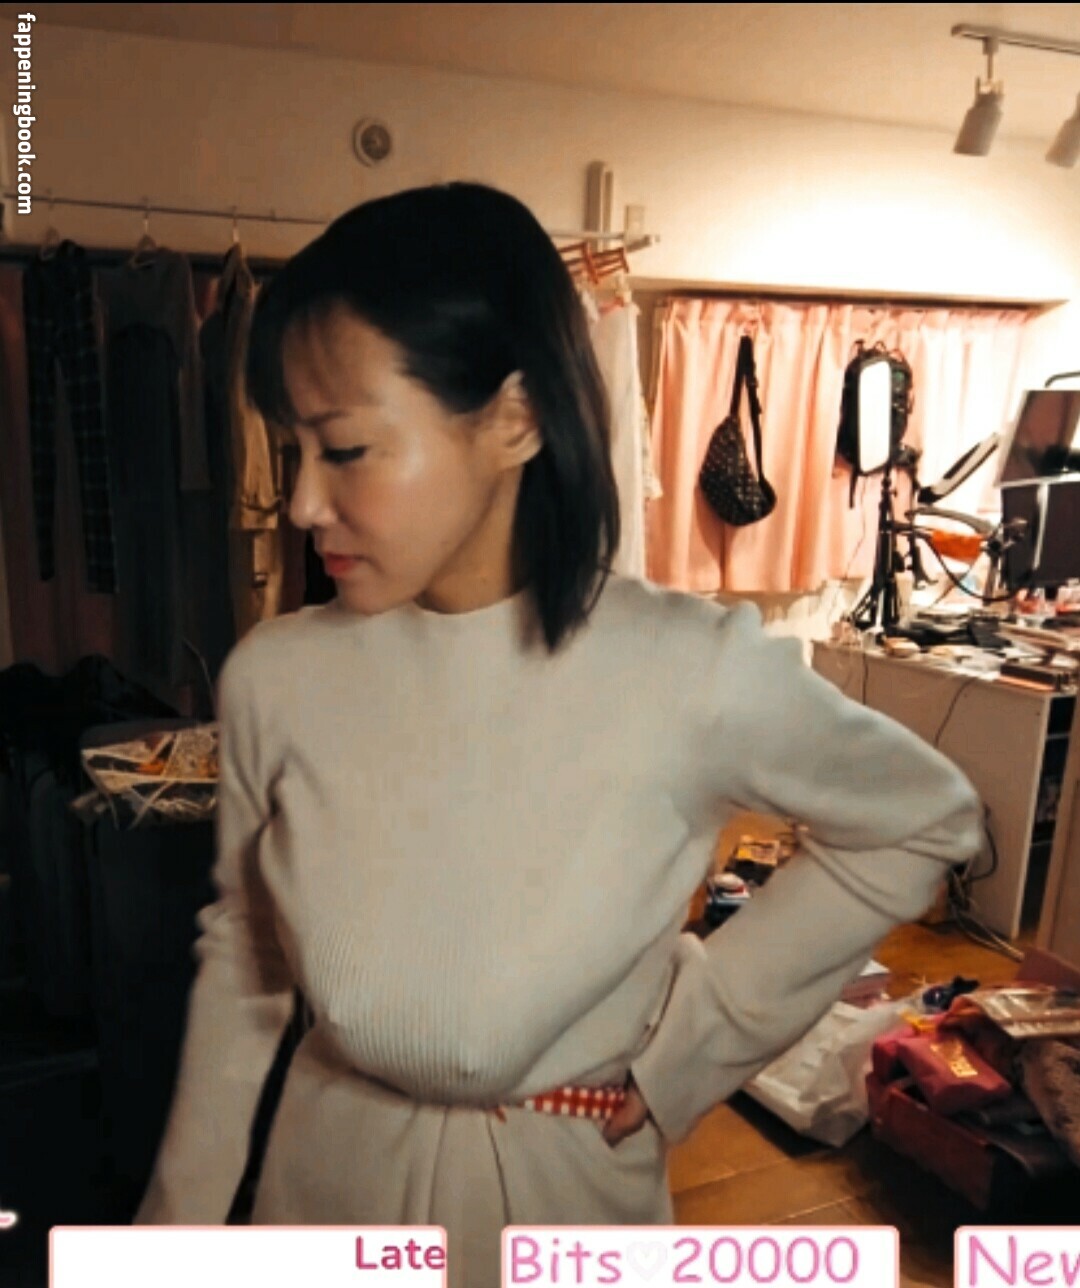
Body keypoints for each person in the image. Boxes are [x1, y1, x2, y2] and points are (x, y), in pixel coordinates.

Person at [135, 183, 982, 1285]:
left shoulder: (683, 667)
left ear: (515, 417)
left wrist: (695, 1041)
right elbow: (246, 955)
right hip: (321, 1190)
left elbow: (919, 818)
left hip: (562, 1195)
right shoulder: (275, 677)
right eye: (289, 448)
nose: (299, 504)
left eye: (343, 449)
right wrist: (169, 1235)